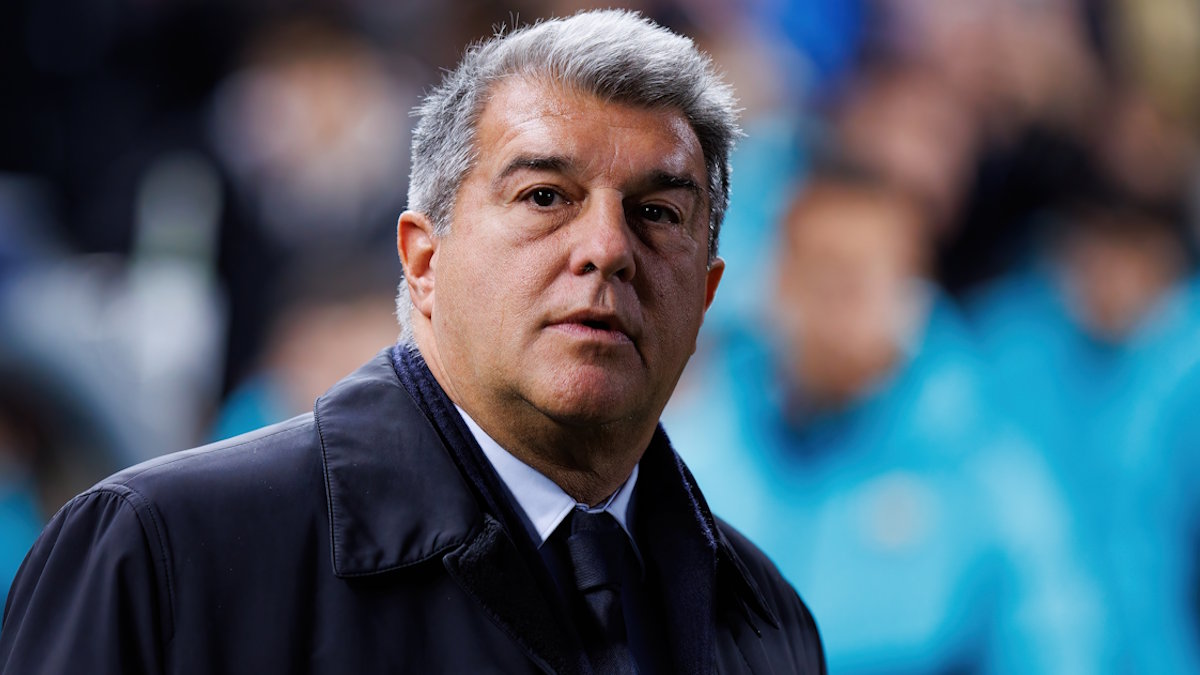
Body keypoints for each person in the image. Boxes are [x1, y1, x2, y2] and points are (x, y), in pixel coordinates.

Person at [0, 10, 825, 674]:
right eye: (545, 195)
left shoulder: (765, 618)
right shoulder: (161, 554)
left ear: (706, 294)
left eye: (656, 212)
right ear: (424, 262)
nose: (607, 248)